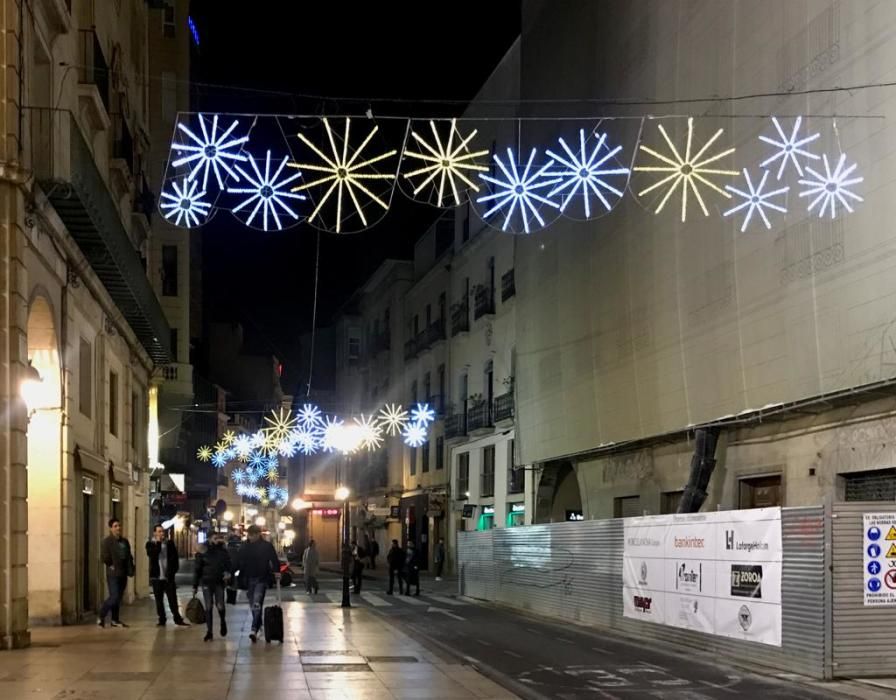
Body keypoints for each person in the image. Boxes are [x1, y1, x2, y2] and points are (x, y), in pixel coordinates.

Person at [234, 524, 280, 643]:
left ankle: (254, 629)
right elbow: (238, 560)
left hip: (261, 578)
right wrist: (231, 572)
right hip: (248, 578)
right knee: (253, 604)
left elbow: (274, 559)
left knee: (257, 603)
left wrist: (276, 571)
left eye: (252, 535)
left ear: (258, 534)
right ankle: (259, 625)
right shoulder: (244, 546)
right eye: (249, 535)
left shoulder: (266, 546)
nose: (250, 537)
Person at [146, 524, 188, 627]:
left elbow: (175, 559)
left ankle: (178, 619)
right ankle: (162, 619)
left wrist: (173, 571)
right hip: (157, 577)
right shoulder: (150, 544)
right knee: (159, 601)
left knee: (172, 599)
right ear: (154, 533)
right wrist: (159, 543)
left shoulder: (170, 543)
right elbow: (153, 554)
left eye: (162, 531)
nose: (161, 533)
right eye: (159, 531)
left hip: (168, 577)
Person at [193, 532, 231, 641]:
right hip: (206, 582)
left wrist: (227, 573)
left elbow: (228, 564)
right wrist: (195, 585)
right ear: (209, 539)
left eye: (218, 538)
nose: (217, 540)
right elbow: (197, 569)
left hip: (219, 582)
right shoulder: (203, 551)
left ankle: (222, 621)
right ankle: (209, 631)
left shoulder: (223, 551)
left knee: (220, 605)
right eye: (215, 538)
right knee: (208, 607)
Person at [98, 518, 134, 628]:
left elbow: (128, 556)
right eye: (115, 526)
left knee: (118, 598)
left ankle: (115, 619)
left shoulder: (124, 541)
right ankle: (101, 615)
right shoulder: (107, 541)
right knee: (114, 596)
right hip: (113, 574)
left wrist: (131, 568)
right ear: (110, 528)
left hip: (123, 572)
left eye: (119, 525)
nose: (118, 528)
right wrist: (111, 565)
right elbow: (104, 556)